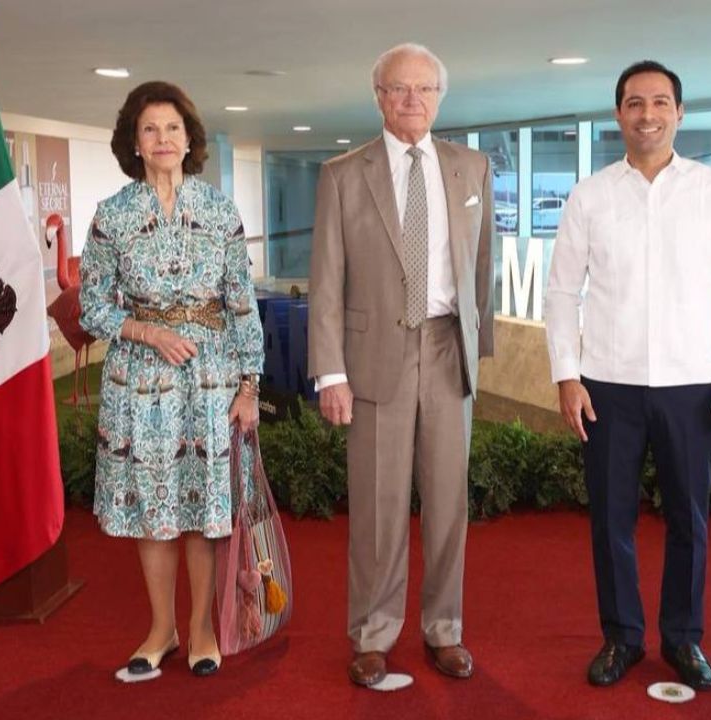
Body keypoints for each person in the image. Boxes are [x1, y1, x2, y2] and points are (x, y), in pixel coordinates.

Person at [544, 60, 711, 691]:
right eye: (635, 103)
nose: (648, 114)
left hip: (692, 384)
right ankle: (621, 637)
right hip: (606, 383)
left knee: (689, 518)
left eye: (660, 102)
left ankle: (683, 638)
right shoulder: (590, 195)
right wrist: (567, 375)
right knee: (610, 517)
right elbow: (562, 293)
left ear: (679, 113)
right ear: (618, 114)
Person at [307, 43, 494, 688]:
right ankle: (372, 634)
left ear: (439, 97)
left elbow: (480, 269)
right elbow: (327, 281)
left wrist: (480, 353)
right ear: (378, 96)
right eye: (397, 88)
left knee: (449, 504)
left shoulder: (473, 168)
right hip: (371, 360)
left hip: (448, 350)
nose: (411, 99)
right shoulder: (342, 174)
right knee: (379, 506)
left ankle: (445, 630)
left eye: (423, 89)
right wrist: (329, 372)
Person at [79, 81, 263, 680]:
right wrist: (146, 331)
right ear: (134, 141)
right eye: (150, 129)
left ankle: (205, 627)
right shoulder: (112, 216)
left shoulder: (220, 212)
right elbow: (91, 308)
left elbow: (242, 304)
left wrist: (249, 387)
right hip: (139, 384)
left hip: (210, 381)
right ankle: (162, 630)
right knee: (153, 512)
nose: (162, 139)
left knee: (202, 510)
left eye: (172, 129)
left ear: (190, 140)